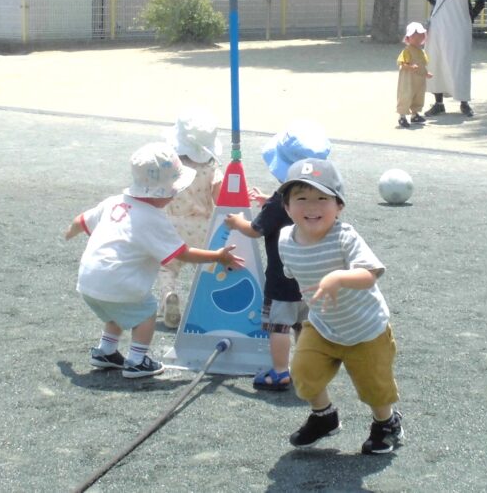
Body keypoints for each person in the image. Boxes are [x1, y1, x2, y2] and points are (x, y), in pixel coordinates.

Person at [64, 142, 244, 378]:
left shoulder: (113, 203)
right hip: (119, 285)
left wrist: (68, 233)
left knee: (116, 311)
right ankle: (137, 360)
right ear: (166, 192)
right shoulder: (152, 218)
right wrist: (218, 256)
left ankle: (105, 351)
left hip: (88, 283)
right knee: (146, 311)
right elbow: (183, 253)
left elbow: (80, 221)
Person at [278, 158, 403, 455]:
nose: (312, 206)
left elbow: (369, 273)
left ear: (339, 206)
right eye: (302, 198)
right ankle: (324, 416)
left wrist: (338, 276)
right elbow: (294, 276)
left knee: (375, 387)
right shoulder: (285, 239)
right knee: (303, 373)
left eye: (323, 198)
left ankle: (385, 423)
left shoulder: (345, 237)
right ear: (286, 206)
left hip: (366, 328)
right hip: (322, 325)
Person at [223, 122, 331, 391]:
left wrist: (237, 222)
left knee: (279, 327)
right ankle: (309, 368)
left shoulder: (279, 199)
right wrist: (266, 202)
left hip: (281, 280)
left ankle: (281, 371)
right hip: (310, 276)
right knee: (304, 325)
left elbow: (256, 230)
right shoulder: (318, 199)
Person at [159, 110, 223, 329]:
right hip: (203, 225)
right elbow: (218, 197)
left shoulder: (172, 164)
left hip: (173, 222)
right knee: (205, 266)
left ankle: (169, 294)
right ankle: (205, 305)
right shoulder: (212, 166)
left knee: (167, 268)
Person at [421, 0, 484, 118]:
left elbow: (480, 1)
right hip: (438, 25)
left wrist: (468, 17)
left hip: (460, 26)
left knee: (460, 62)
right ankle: (438, 102)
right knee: (435, 61)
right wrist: (438, 7)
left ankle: (464, 102)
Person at [396, 22, 432, 128]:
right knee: (406, 95)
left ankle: (415, 114)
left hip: (419, 80)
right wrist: (410, 66)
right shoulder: (406, 51)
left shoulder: (421, 52)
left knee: (418, 96)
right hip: (408, 79)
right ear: (408, 38)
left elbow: (422, 64)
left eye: (420, 36)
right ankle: (402, 116)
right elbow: (402, 63)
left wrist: (426, 73)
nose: (418, 39)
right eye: (414, 37)